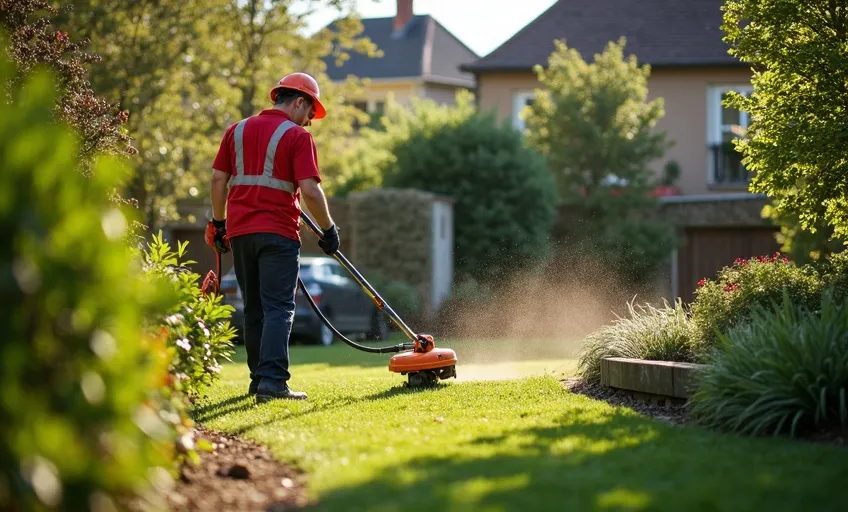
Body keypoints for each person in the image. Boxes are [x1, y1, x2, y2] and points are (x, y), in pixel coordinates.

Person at [205, 72, 340, 404]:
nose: (308, 123)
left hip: (240, 233)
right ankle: (274, 382)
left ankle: (258, 380)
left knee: (254, 309)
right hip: (278, 233)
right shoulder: (297, 137)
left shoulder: (235, 131)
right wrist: (329, 229)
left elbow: (218, 181)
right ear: (299, 102)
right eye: (309, 115)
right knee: (279, 307)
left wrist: (219, 223)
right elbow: (310, 190)